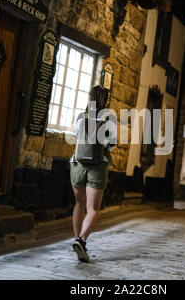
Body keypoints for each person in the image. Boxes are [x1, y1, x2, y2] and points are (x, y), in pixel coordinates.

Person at [70, 85, 114, 262]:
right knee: (93, 209)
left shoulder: (81, 116)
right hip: (97, 165)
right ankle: (82, 240)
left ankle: (76, 241)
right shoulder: (109, 118)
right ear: (106, 99)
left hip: (77, 163)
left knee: (79, 205)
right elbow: (111, 144)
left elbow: (75, 136)